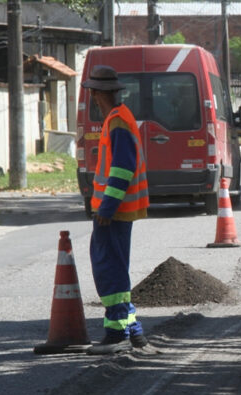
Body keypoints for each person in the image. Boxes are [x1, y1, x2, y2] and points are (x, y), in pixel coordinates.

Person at [82, 65, 150, 355]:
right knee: (114, 268)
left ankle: (118, 331)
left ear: (97, 93)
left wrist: (107, 207)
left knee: (109, 269)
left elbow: (122, 168)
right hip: (118, 211)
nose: (91, 98)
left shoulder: (117, 121)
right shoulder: (119, 118)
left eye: (91, 93)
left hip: (114, 212)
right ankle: (130, 329)